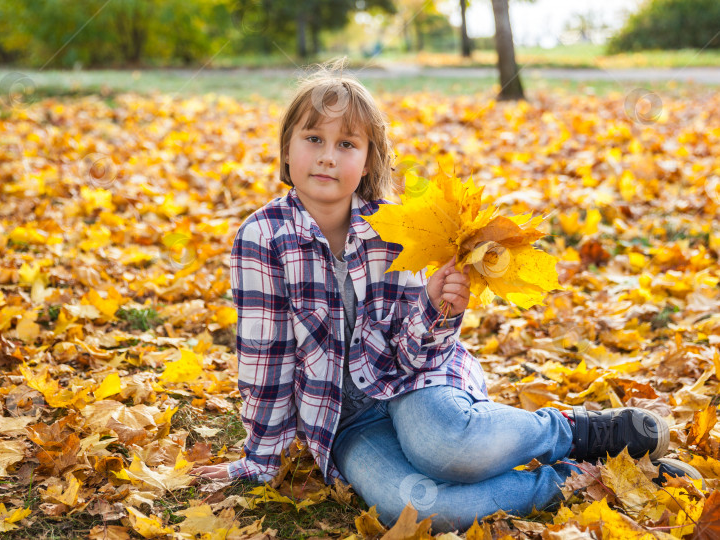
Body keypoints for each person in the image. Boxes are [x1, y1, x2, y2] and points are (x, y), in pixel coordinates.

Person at [190, 58, 701, 533]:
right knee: (418, 504)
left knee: (444, 446)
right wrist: (261, 461)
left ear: (368, 161)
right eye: (313, 138)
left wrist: (435, 309)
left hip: (413, 376)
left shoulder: (396, 230)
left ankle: (576, 431)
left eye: (347, 144)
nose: (327, 157)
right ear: (286, 149)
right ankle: (580, 478)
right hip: (342, 417)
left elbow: (416, 353)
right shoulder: (260, 239)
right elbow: (266, 361)